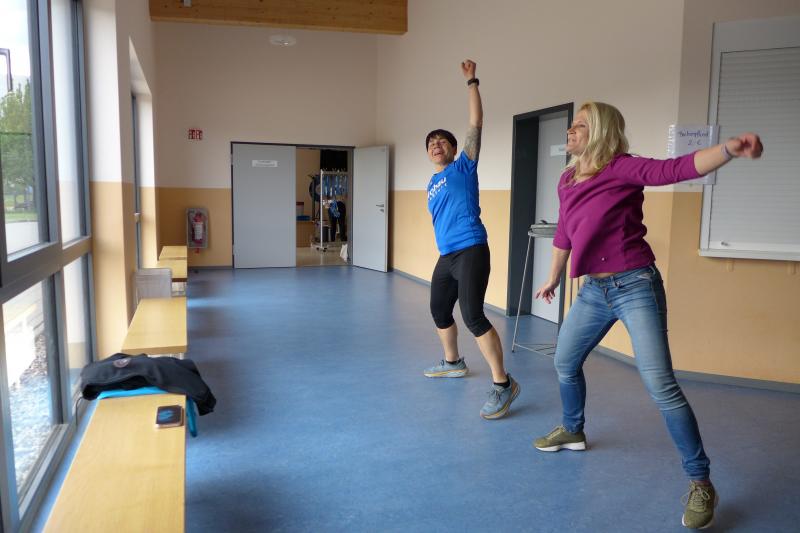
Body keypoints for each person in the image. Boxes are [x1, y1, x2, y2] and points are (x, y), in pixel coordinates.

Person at [532, 101, 763, 529]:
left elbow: (675, 169)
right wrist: (552, 277)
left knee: (661, 386)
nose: (570, 131)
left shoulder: (621, 168)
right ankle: (573, 429)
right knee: (564, 361)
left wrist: (728, 149)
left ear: (599, 132)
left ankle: (701, 482)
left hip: (635, 285)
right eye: (572, 125)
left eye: (580, 125)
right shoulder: (567, 178)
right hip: (594, 290)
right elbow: (564, 231)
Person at [423, 60, 520, 420]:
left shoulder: (463, 166)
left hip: (471, 249)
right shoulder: (432, 183)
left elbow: (476, 123)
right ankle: (453, 362)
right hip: (447, 255)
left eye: (442, 141)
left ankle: (503, 384)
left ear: (452, 149)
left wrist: (471, 82)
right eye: (431, 143)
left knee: (473, 315)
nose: (436, 145)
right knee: (439, 309)